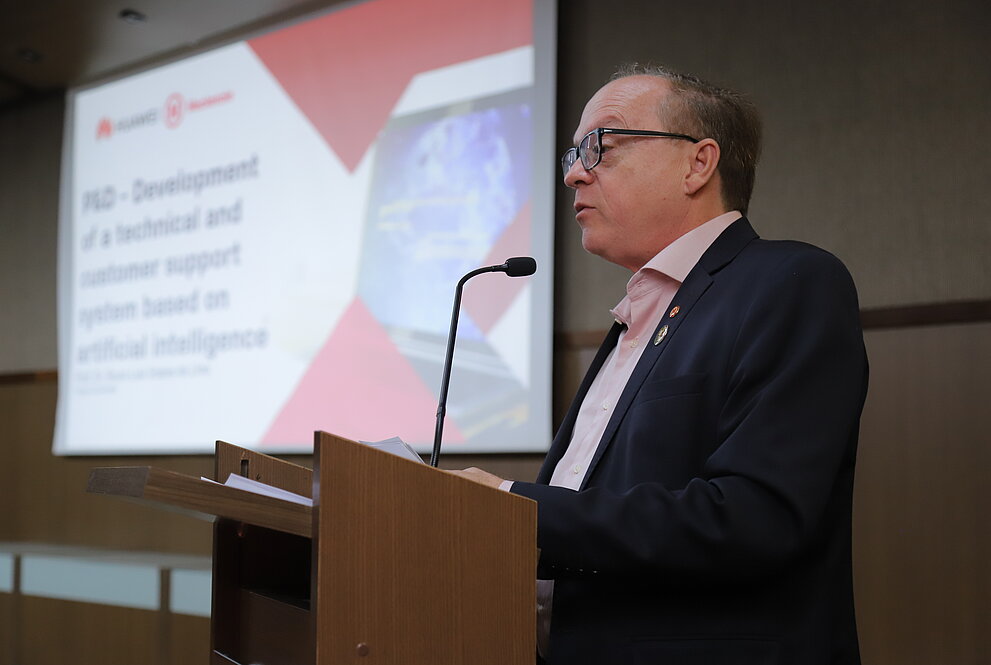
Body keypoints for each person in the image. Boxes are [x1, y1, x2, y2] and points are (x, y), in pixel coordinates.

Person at [452, 64, 868, 665]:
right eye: (573, 153)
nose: (573, 173)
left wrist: (514, 507)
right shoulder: (638, 316)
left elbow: (755, 519)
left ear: (698, 163)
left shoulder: (790, 282)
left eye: (602, 145)